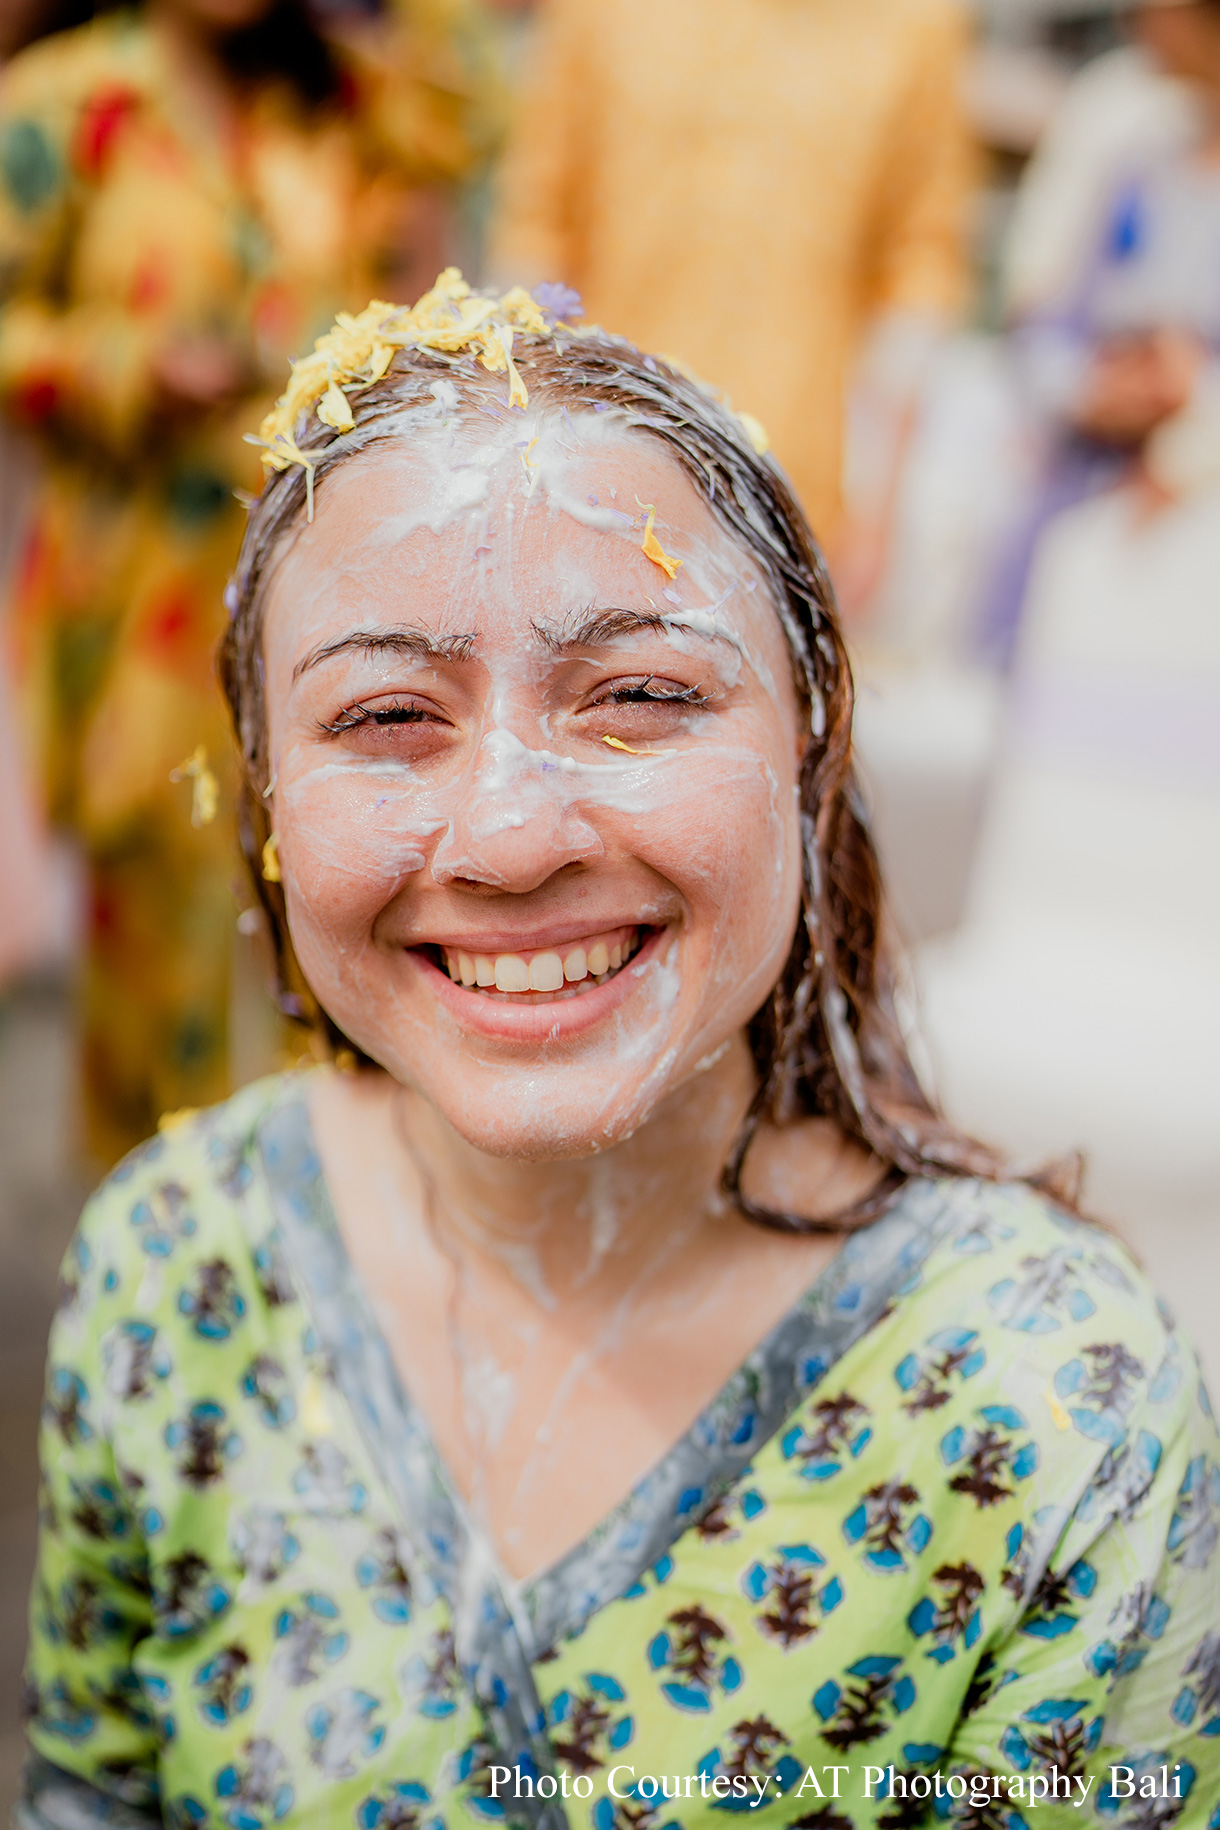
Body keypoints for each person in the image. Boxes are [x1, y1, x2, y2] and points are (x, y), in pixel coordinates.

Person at [19, 273, 1220, 1830]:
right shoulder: (175, 1267)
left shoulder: (1059, 1411)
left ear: (813, 745)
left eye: (641, 695)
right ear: (264, 802)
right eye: (386, 715)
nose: (512, 836)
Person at [0, 0, 500, 1164]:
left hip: (340, 592)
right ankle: (161, 1261)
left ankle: (328, 1250)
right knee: (158, 954)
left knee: (334, 922)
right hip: (141, 610)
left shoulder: (337, 96)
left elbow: (474, 112)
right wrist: (119, 365)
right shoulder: (75, 102)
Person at [489, 0, 971, 557]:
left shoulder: (917, 22)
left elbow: (921, 259)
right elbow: (537, 222)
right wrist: (516, 433)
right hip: (595, 447)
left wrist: (883, 503)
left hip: (789, 476)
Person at [979, 0, 1220, 664]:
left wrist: (1193, 400)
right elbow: (1046, 328)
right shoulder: (1140, 167)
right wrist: (1089, 390)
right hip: (1083, 506)